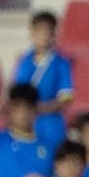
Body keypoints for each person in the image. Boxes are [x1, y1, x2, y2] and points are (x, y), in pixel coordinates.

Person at [12, 10, 74, 151]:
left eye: (47, 32)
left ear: (54, 34)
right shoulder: (23, 60)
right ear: (32, 33)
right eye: (40, 32)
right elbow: (15, 91)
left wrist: (39, 108)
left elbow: (65, 98)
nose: (44, 36)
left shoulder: (61, 63)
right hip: (25, 123)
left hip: (50, 124)